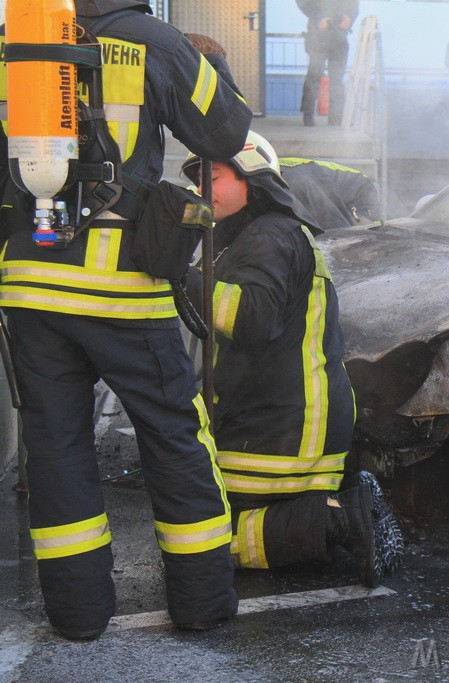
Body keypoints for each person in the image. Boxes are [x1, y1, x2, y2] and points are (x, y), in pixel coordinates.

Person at [0, 0, 253, 640]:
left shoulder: (17, 45)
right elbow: (226, 133)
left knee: (55, 448)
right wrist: (208, 67)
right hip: (121, 289)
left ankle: (77, 616)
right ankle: (201, 603)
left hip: (30, 285)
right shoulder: (150, 40)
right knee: (173, 433)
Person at [180, 132, 403, 583]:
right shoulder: (255, 235)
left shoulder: (270, 237)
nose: (201, 189)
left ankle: (337, 518)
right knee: (197, 525)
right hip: (278, 419)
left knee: (207, 542)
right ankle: (330, 510)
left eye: (213, 176)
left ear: (253, 177)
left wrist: (182, 277)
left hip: (285, 432)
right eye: (195, 180)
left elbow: (251, 317)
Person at [297, 0, 359, 127]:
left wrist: (350, 17)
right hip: (317, 37)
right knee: (314, 76)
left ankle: (336, 119)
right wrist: (318, 17)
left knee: (337, 80)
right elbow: (302, 2)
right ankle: (308, 117)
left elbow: (354, 5)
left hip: (339, 36)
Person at [279, 157, 380, 227]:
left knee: (342, 233)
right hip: (305, 176)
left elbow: (333, 225)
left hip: (359, 189)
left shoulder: (303, 183)